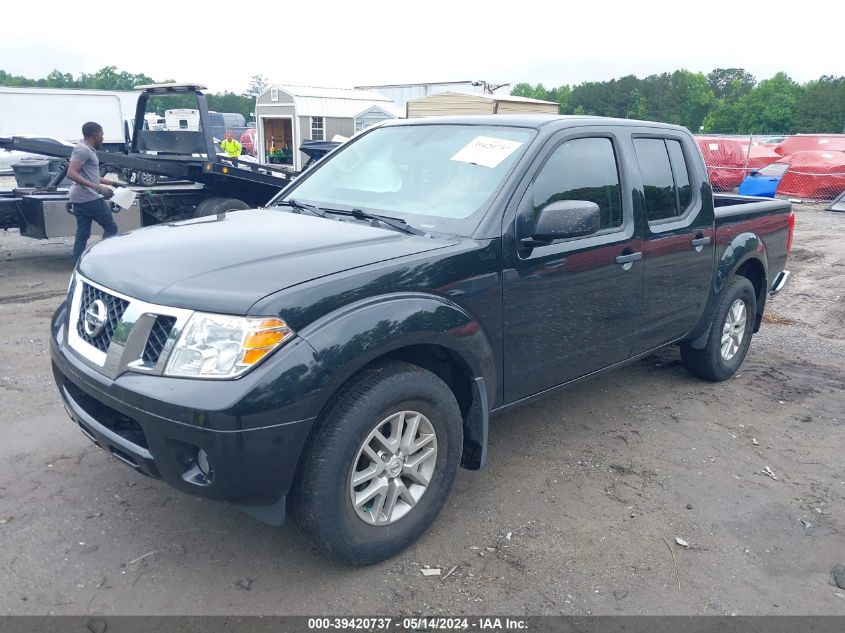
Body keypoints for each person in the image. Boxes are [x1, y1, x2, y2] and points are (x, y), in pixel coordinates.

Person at [67, 122, 123, 262]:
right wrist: (97, 188)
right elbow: (71, 173)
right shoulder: (83, 150)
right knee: (111, 227)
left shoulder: (86, 149)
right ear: (95, 135)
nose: (103, 138)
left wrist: (112, 183)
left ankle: (77, 261)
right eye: (102, 135)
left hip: (79, 197)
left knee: (83, 232)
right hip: (88, 197)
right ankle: (102, 260)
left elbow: (91, 176)